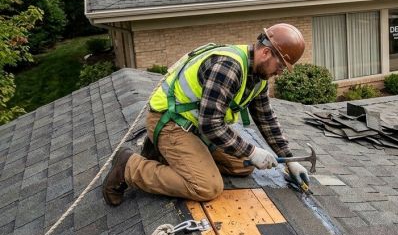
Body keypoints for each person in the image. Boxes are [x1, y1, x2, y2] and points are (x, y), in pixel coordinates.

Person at [102, 23, 310, 206]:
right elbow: (211, 124)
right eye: (281, 66)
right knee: (206, 186)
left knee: (243, 166)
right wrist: (252, 151)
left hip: (196, 126)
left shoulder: (258, 76)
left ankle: (171, 156)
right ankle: (129, 167)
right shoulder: (228, 67)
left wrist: (289, 159)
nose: (279, 72)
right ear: (265, 52)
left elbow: (266, 118)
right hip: (171, 122)